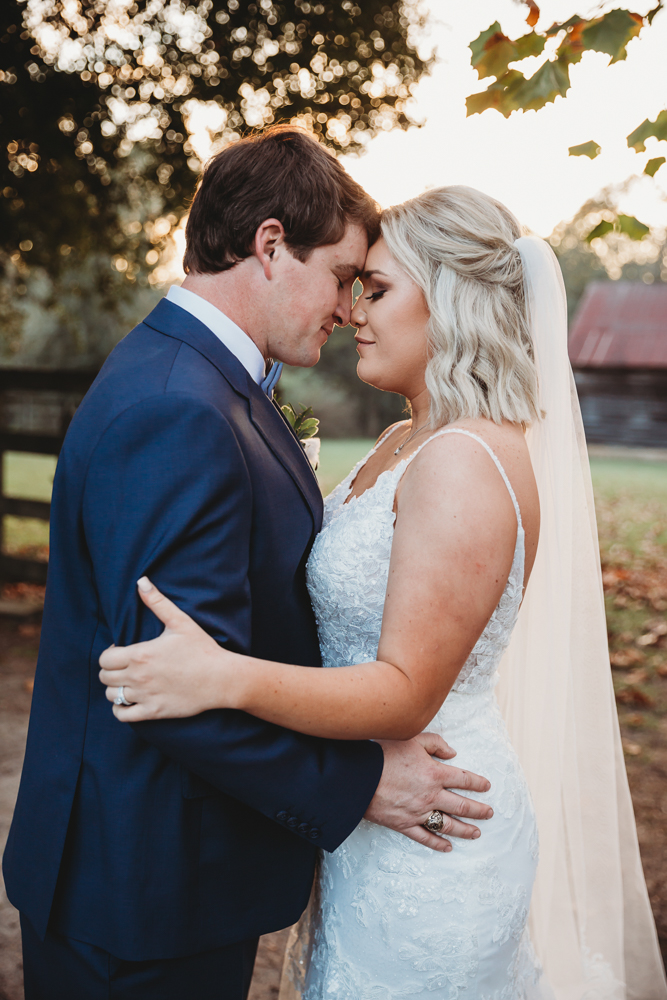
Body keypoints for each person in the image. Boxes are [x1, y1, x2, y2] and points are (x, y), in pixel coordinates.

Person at [99, 186, 667, 998]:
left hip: (433, 822)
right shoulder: (408, 440)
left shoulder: (463, 462)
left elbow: (404, 692)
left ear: (451, 300)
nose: (352, 311)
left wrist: (222, 676)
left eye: (377, 288)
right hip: (376, 815)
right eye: (353, 286)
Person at [2, 131, 493, 1000]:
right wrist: (360, 784)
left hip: (173, 876)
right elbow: (164, 686)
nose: (348, 308)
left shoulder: (206, 383)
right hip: (141, 889)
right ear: (270, 246)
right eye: (345, 276)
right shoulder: (178, 409)